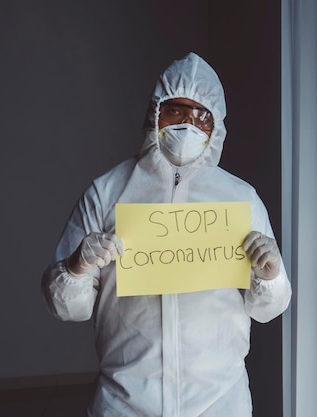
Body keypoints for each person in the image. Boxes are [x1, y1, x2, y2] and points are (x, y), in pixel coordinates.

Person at [41, 52, 292, 417]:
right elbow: (66, 307)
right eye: (175, 111)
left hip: (219, 401)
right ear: (154, 112)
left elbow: (268, 309)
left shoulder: (240, 199)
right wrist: (77, 267)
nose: (187, 125)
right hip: (125, 400)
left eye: (200, 117)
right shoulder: (107, 192)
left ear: (216, 128)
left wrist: (270, 276)